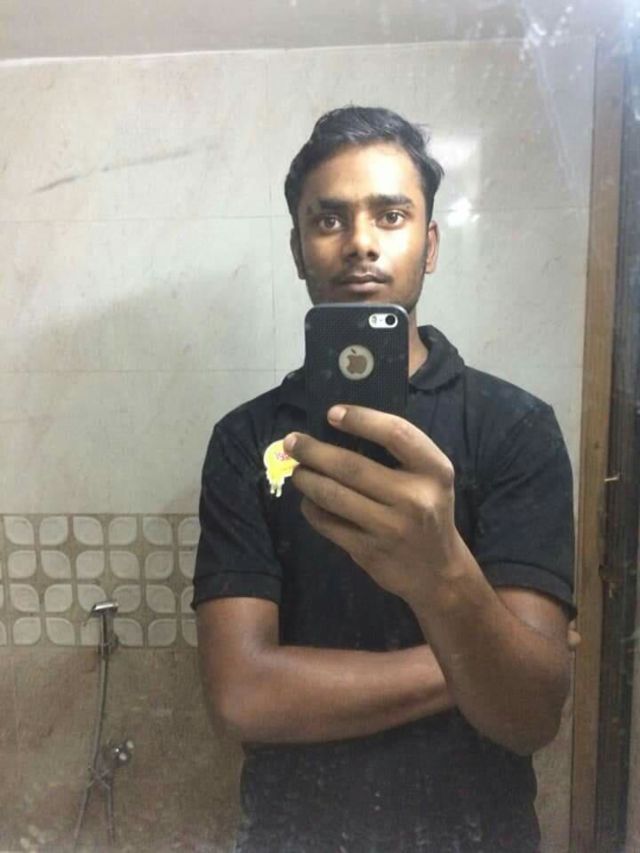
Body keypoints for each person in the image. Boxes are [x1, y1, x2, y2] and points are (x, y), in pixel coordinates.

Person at [193, 106, 577, 852]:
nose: (361, 242)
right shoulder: (247, 441)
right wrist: (475, 658)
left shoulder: (516, 428)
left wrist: (443, 575)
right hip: (295, 834)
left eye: (391, 216)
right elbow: (242, 695)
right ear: (298, 250)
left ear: (428, 246)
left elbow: (530, 715)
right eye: (328, 219)